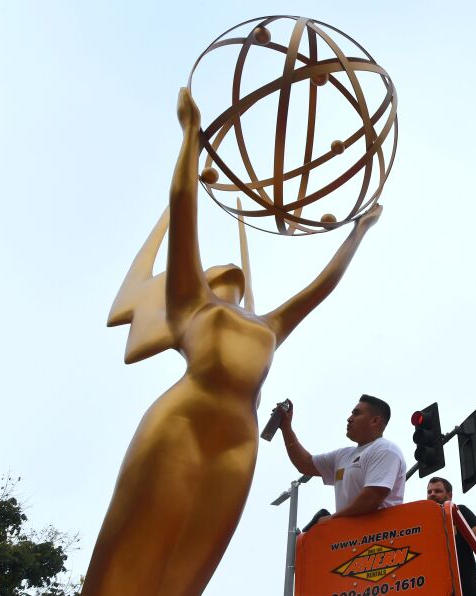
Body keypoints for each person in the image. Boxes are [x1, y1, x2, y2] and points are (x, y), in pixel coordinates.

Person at [82, 89, 382, 596]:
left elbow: (322, 287)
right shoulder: (188, 303)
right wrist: (190, 141)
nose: (232, 275)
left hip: (239, 442)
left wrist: (359, 232)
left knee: (192, 567)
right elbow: (183, 208)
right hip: (180, 422)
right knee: (133, 548)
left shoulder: (270, 324)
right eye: (224, 270)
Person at [280, 394, 406, 520]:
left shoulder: (385, 449)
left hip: (380, 537)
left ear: (375, 421)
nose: (349, 418)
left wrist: (332, 519)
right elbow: (305, 464)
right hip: (349, 536)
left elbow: (371, 499)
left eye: (356, 414)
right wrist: (286, 427)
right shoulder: (343, 455)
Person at [427, 477, 476, 596]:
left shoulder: (459, 512)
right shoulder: (423, 522)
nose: (432, 494)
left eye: (437, 491)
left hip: (467, 590)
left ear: (449, 496)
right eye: (429, 492)